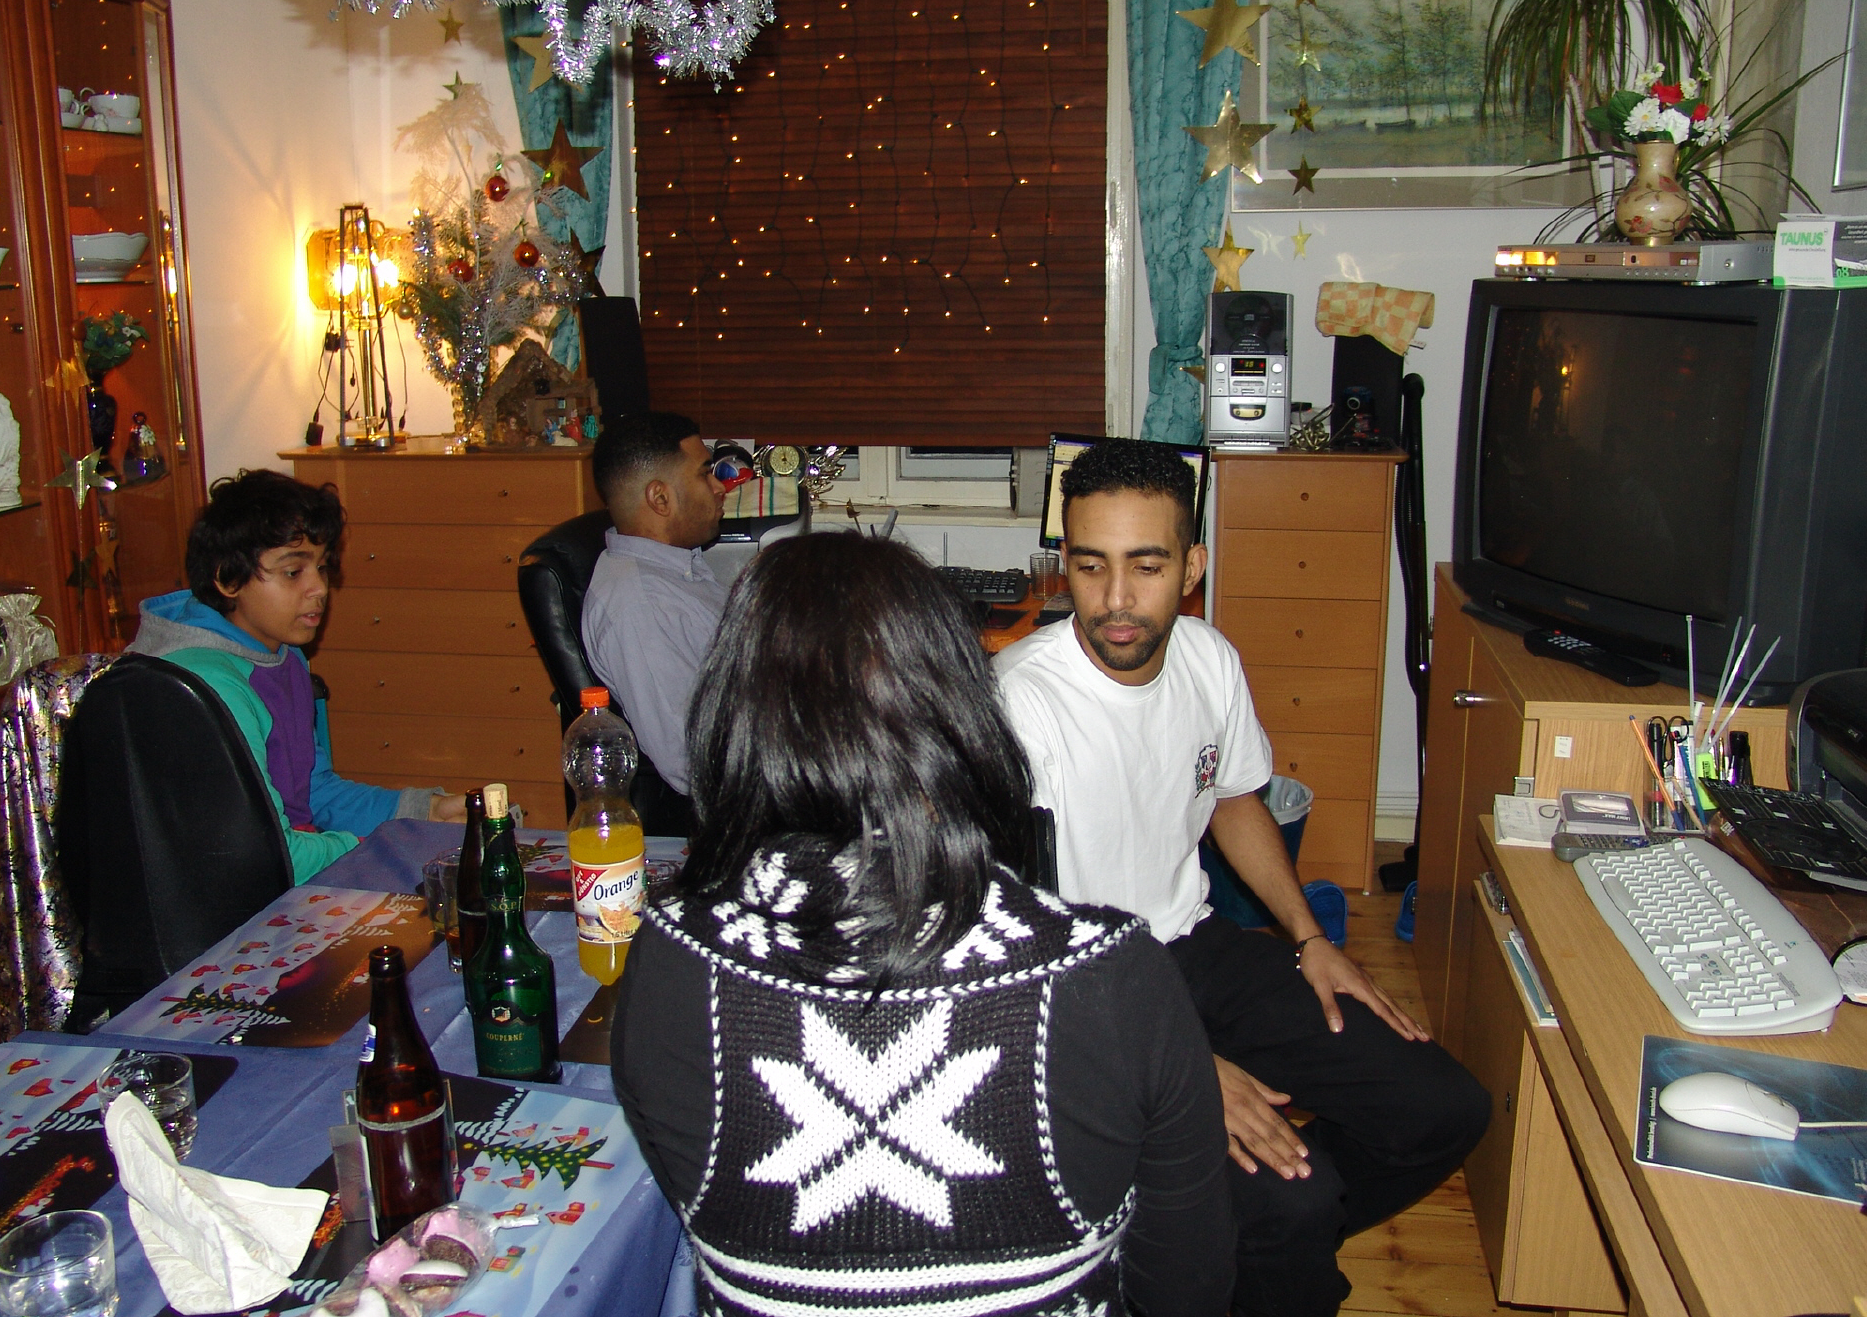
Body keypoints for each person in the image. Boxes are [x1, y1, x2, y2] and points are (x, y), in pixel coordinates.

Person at [611, 532, 1233, 1317]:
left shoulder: (671, 959)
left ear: (731, 719)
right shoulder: (1113, 977)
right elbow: (1187, 1289)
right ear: (964, 713)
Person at [993, 438, 1489, 1317]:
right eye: (1090, 565)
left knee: (1443, 1109)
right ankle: (1250, 1237)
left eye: (1146, 566)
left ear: (1192, 567)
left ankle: (1225, 1240)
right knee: (1291, 1205)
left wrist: (1309, 938)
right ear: (1065, 560)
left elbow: (1233, 801)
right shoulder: (1019, 704)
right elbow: (1015, 939)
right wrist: (1183, 1068)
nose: (1114, 599)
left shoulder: (1208, 658)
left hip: (1193, 946)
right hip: (1084, 993)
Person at [128, 470, 461, 883]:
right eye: (292, 572)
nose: (318, 588)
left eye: (322, 568)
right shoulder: (206, 685)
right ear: (228, 578)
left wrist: (425, 812)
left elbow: (311, 792)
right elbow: (262, 855)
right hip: (240, 900)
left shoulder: (284, 657)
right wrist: (388, 846)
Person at [580, 412, 728, 798]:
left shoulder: (675, 568)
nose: (719, 487)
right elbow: (692, 762)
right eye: (705, 474)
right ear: (660, 498)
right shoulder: (641, 608)